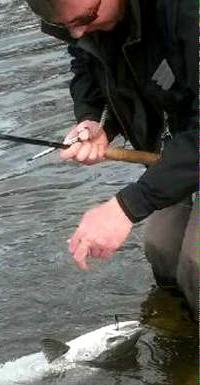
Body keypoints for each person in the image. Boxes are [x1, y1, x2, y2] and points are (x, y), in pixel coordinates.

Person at [25, 0, 198, 317]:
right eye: (66, 27)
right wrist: (94, 120)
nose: (78, 32)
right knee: (163, 247)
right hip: (182, 149)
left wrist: (126, 207)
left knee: (197, 265)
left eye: (86, 18)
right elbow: (87, 65)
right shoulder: (87, 20)